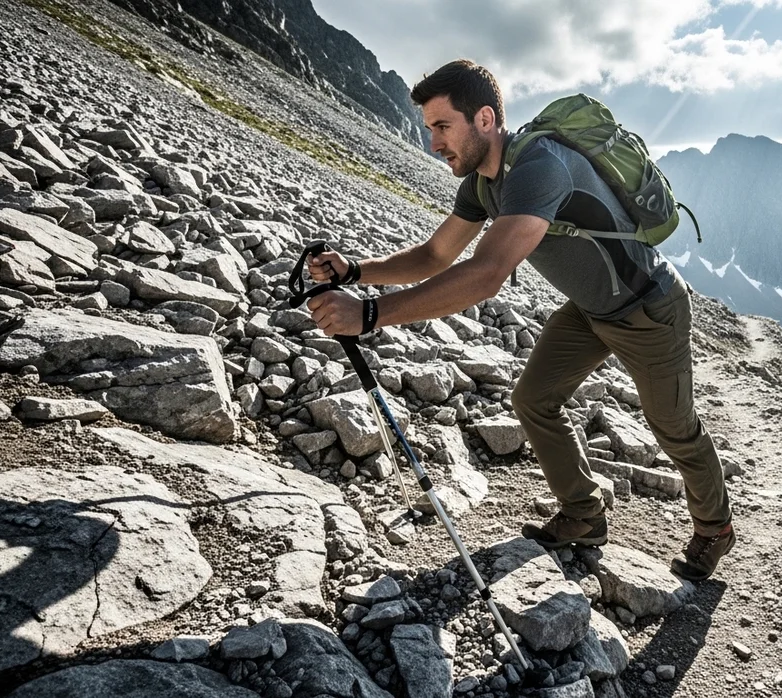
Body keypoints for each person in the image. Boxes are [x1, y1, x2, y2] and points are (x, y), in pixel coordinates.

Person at [306, 59, 734, 580]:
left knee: (673, 426)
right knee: (533, 400)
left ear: (484, 118)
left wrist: (370, 315)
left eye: (443, 127)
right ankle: (584, 513)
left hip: (649, 307)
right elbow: (436, 255)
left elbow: (486, 273)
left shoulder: (540, 168)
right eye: (430, 129)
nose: (434, 143)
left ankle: (715, 528)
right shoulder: (485, 184)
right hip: (591, 309)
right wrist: (356, 271)